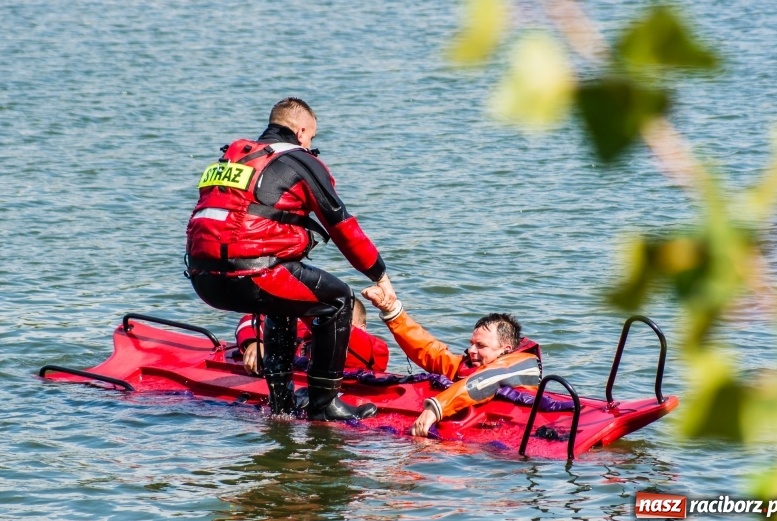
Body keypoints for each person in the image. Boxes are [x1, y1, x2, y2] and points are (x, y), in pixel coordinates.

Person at [185, 97, 396, 421]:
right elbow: (342, 227)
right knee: (339, 299)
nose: (311, 146)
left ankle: (281, 405)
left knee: (284, 302)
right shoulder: (300, 161)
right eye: (311, 138)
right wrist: (379, 275)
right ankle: (324, 404)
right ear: (301, 132)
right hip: (251, 277)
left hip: (203, 280)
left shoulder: (232, 159)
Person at [361, 286, 542, 437]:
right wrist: (392, 310)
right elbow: (431, 352)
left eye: (480, 345)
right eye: (471, 344)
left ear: (506, 349)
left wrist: (435, 409)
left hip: (507, 446)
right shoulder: (471, 365)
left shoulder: (523, 364)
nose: (471, 350)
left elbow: (487, 380)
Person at [236, 297, 390, 374]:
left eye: (343, 320)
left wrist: (306, 309)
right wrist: (254, 342)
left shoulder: (374, 349)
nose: (329, 321)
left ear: (361, 329)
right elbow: (253, 319)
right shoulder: (306, 333)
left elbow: (337, 332)